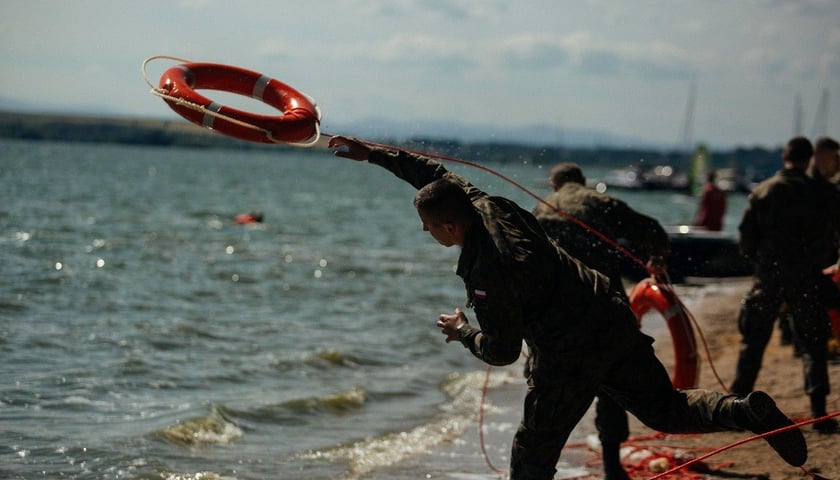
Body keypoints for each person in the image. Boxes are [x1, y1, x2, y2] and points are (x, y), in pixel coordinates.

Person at [329, 135, 807, 478]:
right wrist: (371, 154)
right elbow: (434, 173)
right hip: (609, 314)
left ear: (450, 228)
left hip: (568, 355)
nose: (425, 233)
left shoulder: (487, 273)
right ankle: (747, 412)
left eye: (428, 227)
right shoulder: (485, 203)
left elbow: (503, 351)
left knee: (532, 457)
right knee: (668, 410)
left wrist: (462, 333)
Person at [532, 162, 669, 480]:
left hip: (559, 316)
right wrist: (657, 258)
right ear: (582, 182)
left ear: (554, 185)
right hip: (606, 308)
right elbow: (651, 230)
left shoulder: (541, 209)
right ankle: (611, 466)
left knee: (547, 388)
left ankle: (539, 466)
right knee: (612, 385)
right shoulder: (601, 202)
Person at [731, 136, 838, 434]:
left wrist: (764, 262)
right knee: (813, 345)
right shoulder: (819, 193)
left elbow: (746, 241)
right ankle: (818, 413)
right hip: (805, 278)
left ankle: (737, 408)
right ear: (808, 160)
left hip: (769, 277)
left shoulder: (763, 191)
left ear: (784, 157)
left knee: (752, 344)